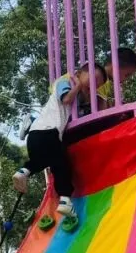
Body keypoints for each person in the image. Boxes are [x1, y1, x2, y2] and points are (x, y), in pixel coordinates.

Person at [12, 62, 108, 218]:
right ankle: (65, 200)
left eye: (98, 85)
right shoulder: (64, 83)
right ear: (78, 74)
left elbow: (81, 106)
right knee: (62, 166)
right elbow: (66, 99)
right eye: (94, 79)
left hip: (37, 136)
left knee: (55, 164)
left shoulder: (78, 95)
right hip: (48, 132)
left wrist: (96, 98)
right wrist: (78, 86)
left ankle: (24, 172)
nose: (94, 85)